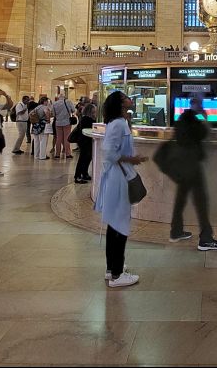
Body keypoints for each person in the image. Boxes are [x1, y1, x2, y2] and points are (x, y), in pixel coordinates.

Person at [94, 91, 148, 288]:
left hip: (117, 175)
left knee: (115, 223)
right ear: (120, 103)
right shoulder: (117, 124)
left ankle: (112, 269)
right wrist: (131, 159)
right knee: (120, 224)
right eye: (125, 96)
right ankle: (117, 275)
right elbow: (108, 151)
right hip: (118, 177)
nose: (129, 97)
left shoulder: (119, 122)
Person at [167, 95, 217, 250]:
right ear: (197, 105)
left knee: (181, 198)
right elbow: (204, 135)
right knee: (201, 201)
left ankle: (176, 231)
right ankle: (205, 239)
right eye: (200, 103)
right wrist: (205, 118)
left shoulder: (181, 119)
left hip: (181, 164)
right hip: (192, 165)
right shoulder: (194, 120)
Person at [73, 103, 96, 183]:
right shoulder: (86, 119)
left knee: (87, 158)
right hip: (84, 141)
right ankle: (78, 176)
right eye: (93, 111)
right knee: (83, 158)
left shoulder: (85, 118)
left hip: (86, 141)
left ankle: (84, 173)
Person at [52, 94, 77, 160]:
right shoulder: (68, 102)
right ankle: (68, 154)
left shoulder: (54, 104)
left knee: (58, 138)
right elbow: (73, 110)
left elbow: (53, 114)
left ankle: (57, 154)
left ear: (58, 98)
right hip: (67, 122)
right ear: (64, 97)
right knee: (66, 138)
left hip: (58, 123)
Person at [31, 96, 52, 161]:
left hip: (35, 125)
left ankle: (36, 155)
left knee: (36, 140)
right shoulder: (45, 107)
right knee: (43, 140)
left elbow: (30, 114)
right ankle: (42, 156)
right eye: (47, 101)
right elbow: (47, 113)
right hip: (42, 124)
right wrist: (48, 120)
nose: (47, 103)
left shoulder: (36, 107)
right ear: (45, 101)